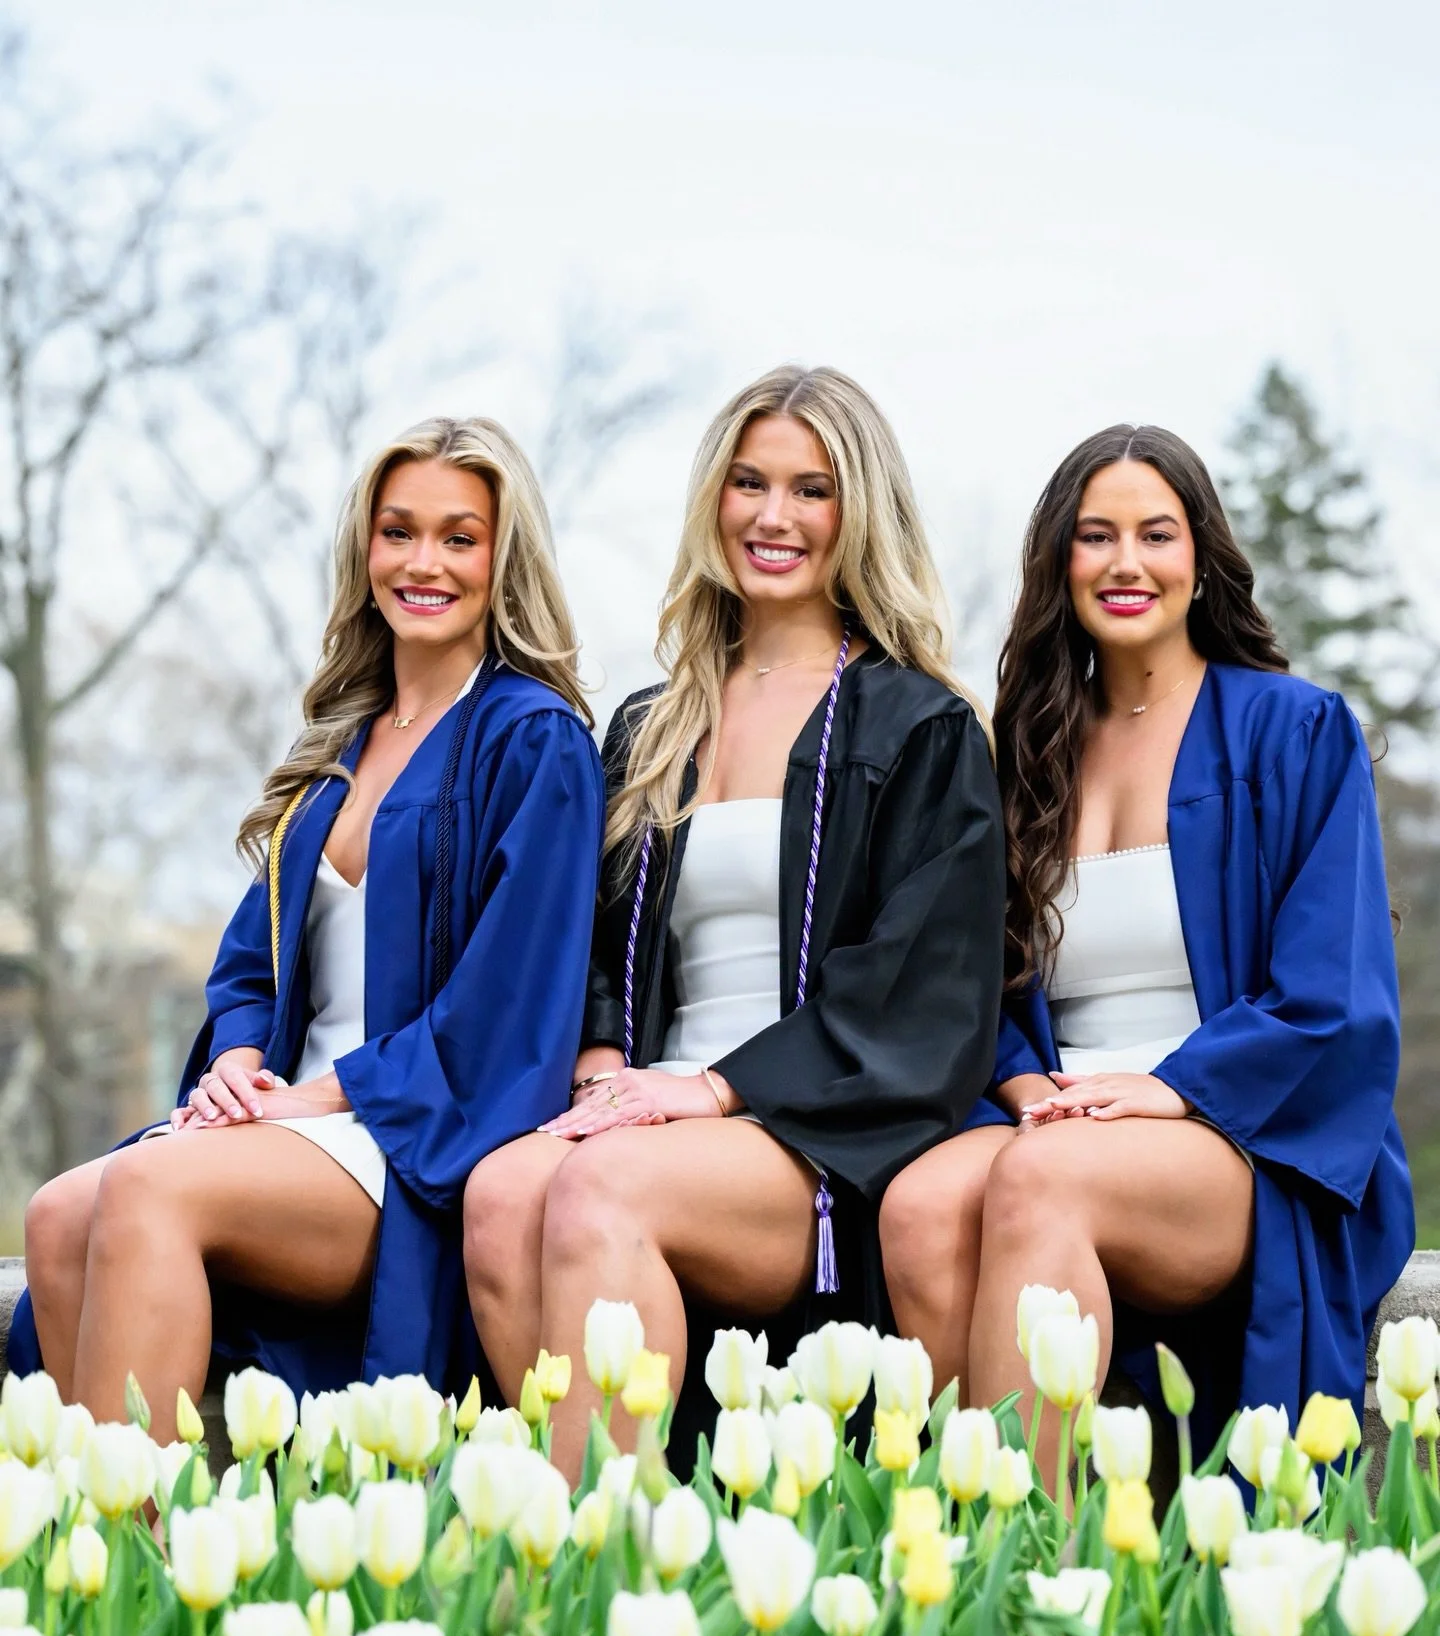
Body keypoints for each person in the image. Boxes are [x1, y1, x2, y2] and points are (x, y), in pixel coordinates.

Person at [465, 365, 1006, 1477]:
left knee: (598, 1187)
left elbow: (920, 989)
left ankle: (617, 1566)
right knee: (500, 1189)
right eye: (749, 482)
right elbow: (593, 939)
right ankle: (590, 1521)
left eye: (812, 490)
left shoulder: (918, 728)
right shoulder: (654, 725)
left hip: (816, 1129)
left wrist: (713, 1089)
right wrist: (611, 1067)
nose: (774, 517)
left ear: (860, 513)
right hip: (657, 1104)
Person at [14, 417, 606, 1431]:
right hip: (296, 1119)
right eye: (398, 531)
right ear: (364, 547)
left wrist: (318, 1101)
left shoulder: (533, 741)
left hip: (413, 1140)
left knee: (150, 1190)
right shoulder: (339, 746)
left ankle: (137, 1561)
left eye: (460, 537)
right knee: (56, 1211)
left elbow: (506, 1013)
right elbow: (251, 966)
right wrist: (240, 1063)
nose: (424, 563)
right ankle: (90, 1568)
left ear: (504, 560)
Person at [879, 424, 1414, 1468]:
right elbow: (974, 981)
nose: (1127, 563)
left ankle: (1029, 1566)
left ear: (1201, 556)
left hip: (1241, 1134)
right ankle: (979, 1554)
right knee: (919, 1205)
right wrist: (1025, 1085)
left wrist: (1175, 1087)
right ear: (1059, 563)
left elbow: (1334, 991)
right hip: (1061, 1116)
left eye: (1156, 534)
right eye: (1096, 537)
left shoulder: (1292, 731)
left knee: (1043, 1181)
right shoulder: (1030, 751)